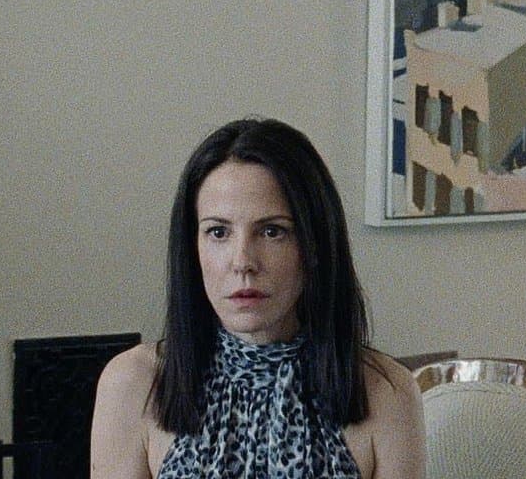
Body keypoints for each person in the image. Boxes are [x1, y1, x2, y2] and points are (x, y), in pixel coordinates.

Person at [91, 117, 425, 479]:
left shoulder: (387, 392)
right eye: (218, 232)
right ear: (192, 247)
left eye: (272, 231)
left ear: (314, 245)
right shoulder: (133, 383)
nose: (243, 262)